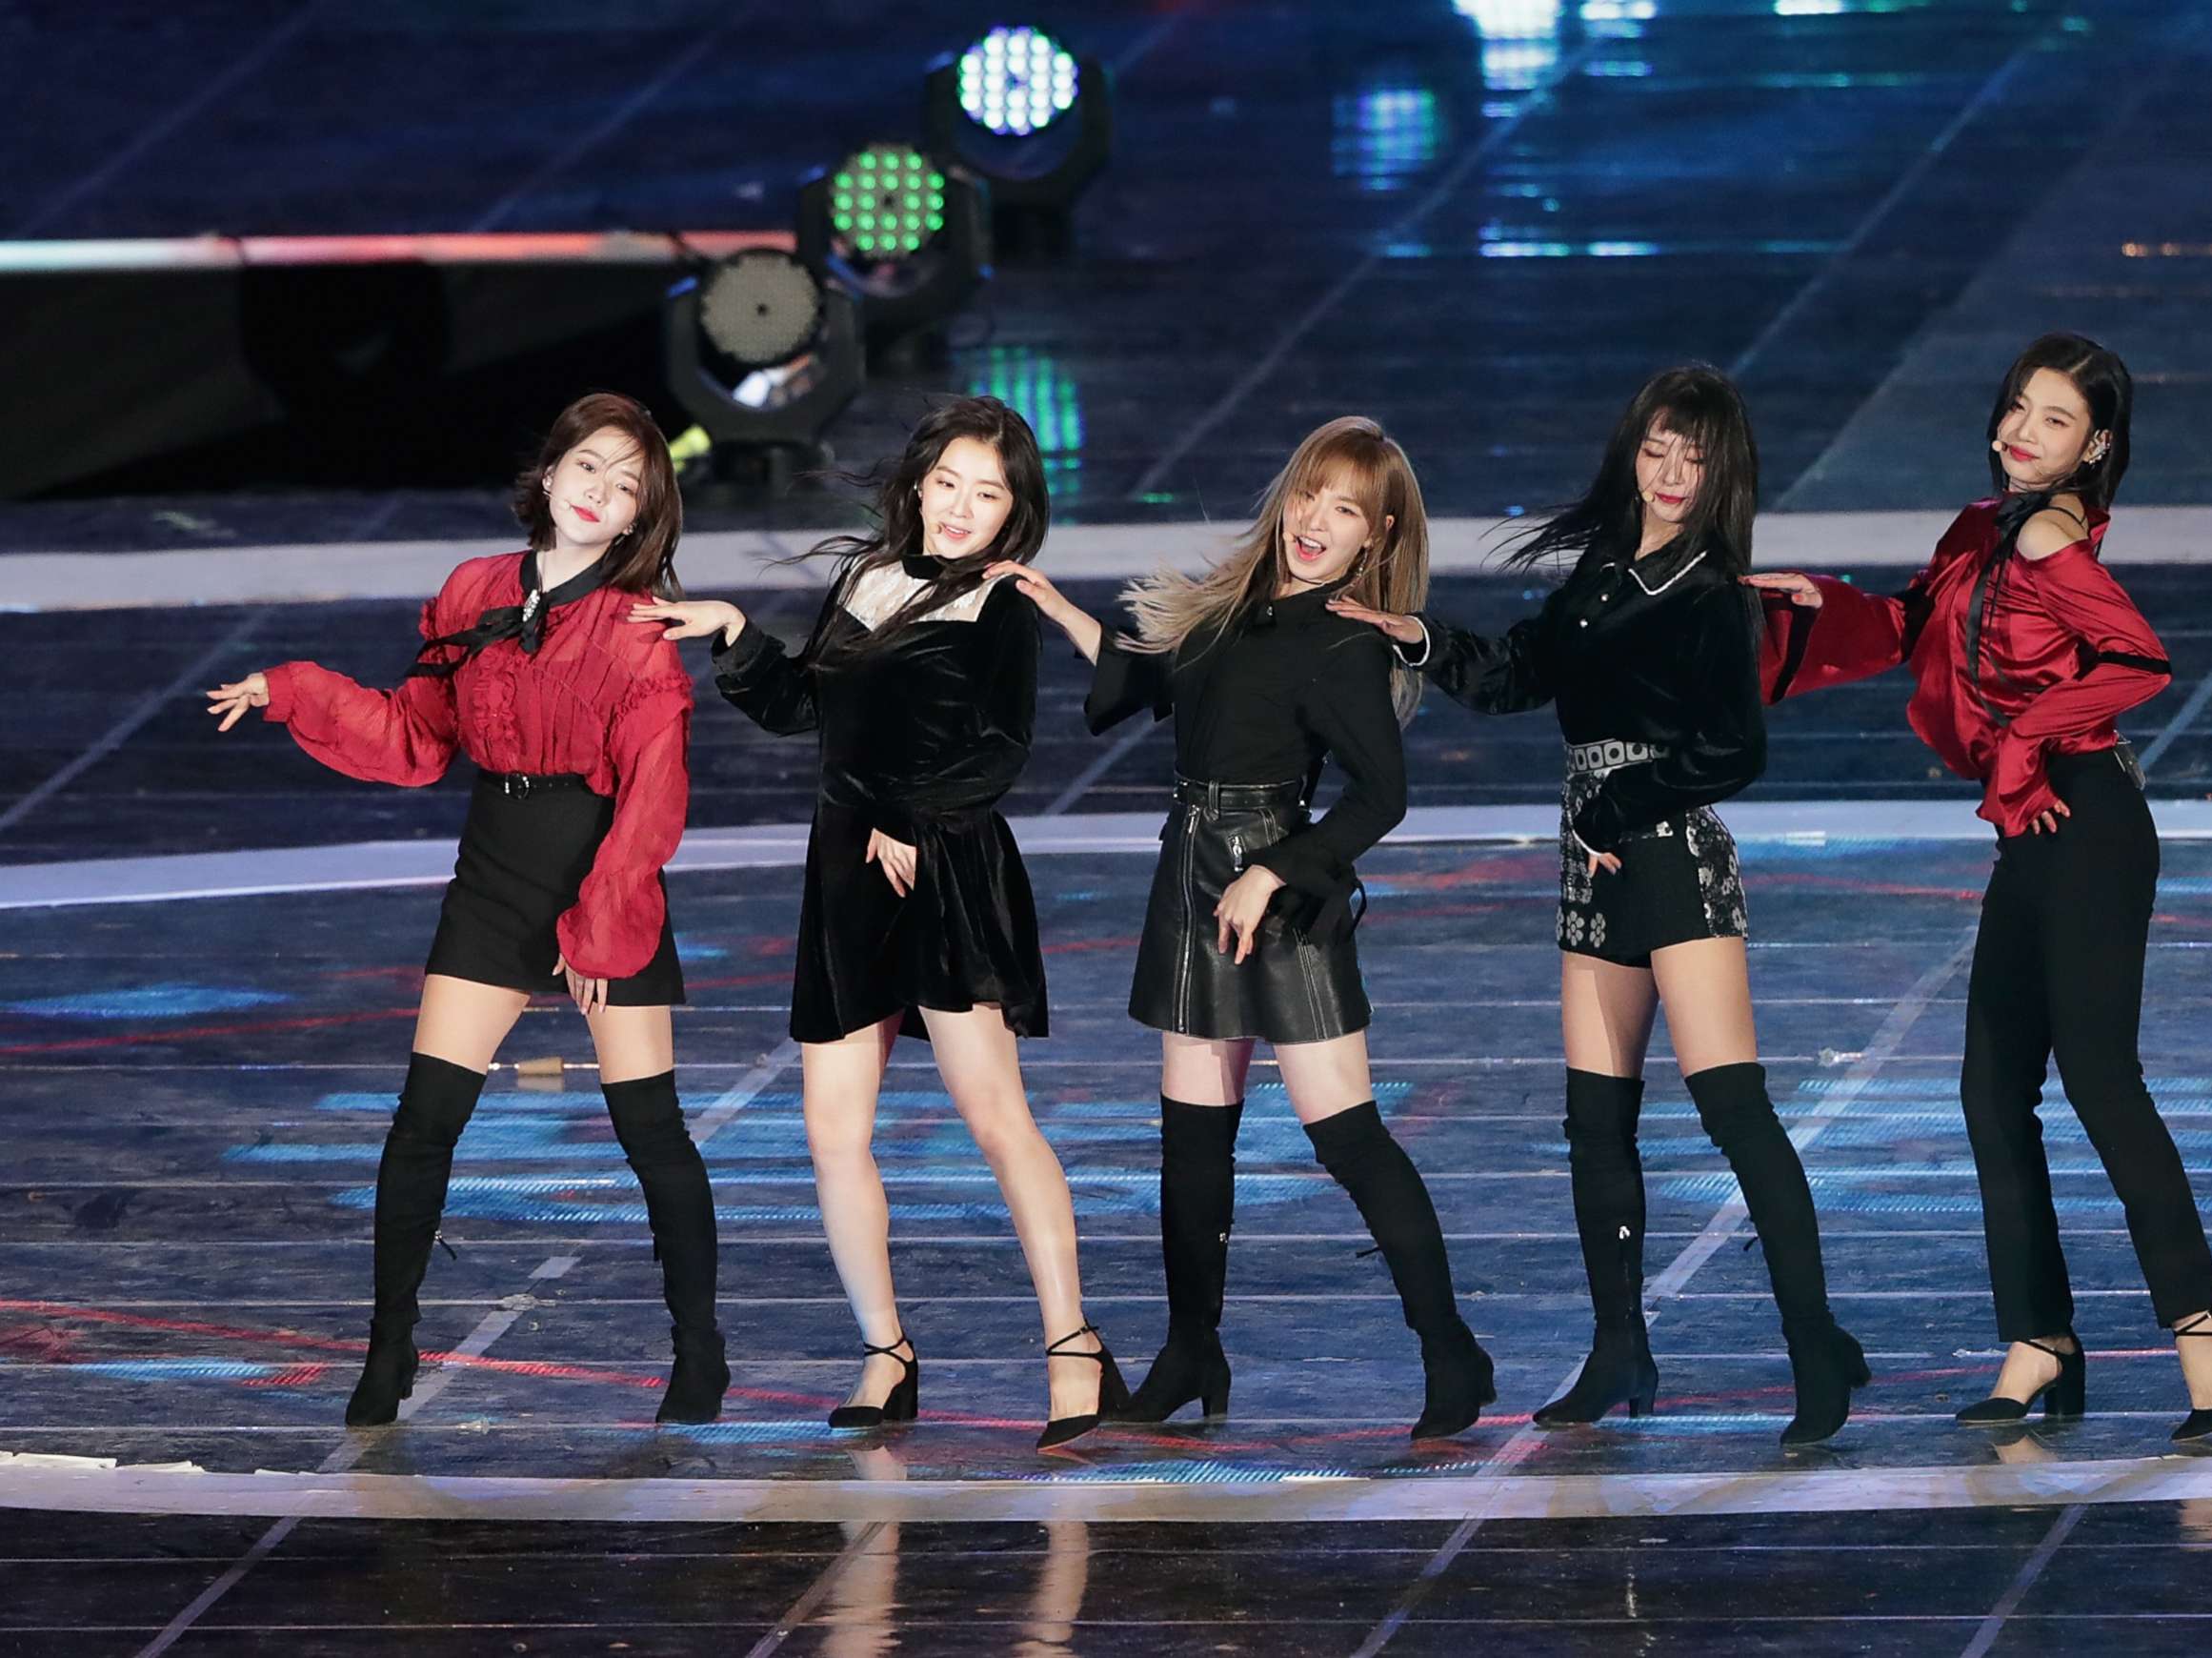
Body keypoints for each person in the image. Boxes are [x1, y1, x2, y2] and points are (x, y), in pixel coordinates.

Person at [1744, 333, 2212, 1443]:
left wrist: (2028, 741)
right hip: (2037, 827)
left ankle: (2204, 1324)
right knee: (1993, 1094)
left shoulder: (2044, 536)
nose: (2022, 433)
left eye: (2055, 421)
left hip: (2088, 822)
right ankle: (2042, 1339)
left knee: (2097, 1078)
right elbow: (1912, 627)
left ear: (2096, 447)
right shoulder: (1981, 531)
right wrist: (1818, 602)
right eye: (2019, 409)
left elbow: (2140, 663)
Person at [1333, 366, 1868, 1445]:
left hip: (1664, 854)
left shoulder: (1712, 593)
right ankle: (1620, 1347)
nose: (1671, 474)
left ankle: (1815, 1344)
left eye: (1694, 458)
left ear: (1721, 475)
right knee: (1594, 1124)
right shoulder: (1607, 574)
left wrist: (1620, 802)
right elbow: (1519, 672)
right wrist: (1418, 638)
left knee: (1733, 1111)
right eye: (1657, 449)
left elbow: (1736, 748)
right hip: (1593, 860)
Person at [206, 392, 727, 1425]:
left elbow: (655, 794)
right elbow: (415, 734)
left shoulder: (638, 628)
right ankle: (388, 1352)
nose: (600, 492)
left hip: (600, 871)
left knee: (650, 1130)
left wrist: (603, 918)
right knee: (423, 1124)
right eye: (590, 467)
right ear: (549, 474)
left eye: (627, 486)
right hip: (494, 870)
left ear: (638, 520)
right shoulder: (472, 590)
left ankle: (699, 1353)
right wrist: (294, 687)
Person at [990, 414, 1496, 1441]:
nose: (1317, 519)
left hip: (1281, 883)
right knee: (1192, 1138)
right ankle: (1190, 1351)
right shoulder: (1234, 610)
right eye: (1311, 494)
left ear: (1378, 535)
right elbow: (1160, 687)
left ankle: (1452, 1350)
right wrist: (1059, 612)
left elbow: (1379, 798)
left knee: (1345, 1134)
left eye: (1346, 508)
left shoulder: (1347, 640)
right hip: (1194, 868)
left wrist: (1274, 870)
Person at [636, 396, 1122, 1450]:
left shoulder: (999, 606)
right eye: (947, 482)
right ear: (915, 484)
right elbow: (810, 708)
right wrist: (732, 634)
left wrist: (910, 818)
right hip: (850, 880)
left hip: (944, 872)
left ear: (1012, 515)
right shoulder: (865, 578)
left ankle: (1074, 1348)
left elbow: (997, 750)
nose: (960, 507)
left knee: (996, 1120)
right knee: (829, 1131)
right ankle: (886, 1352)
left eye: (986, 494)